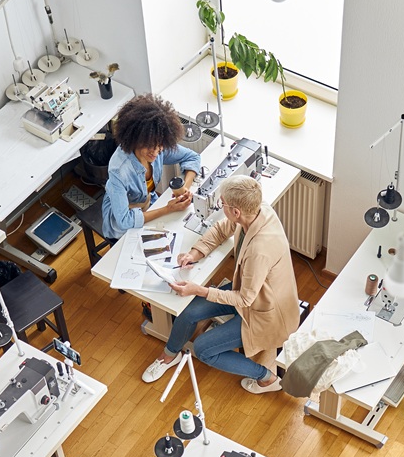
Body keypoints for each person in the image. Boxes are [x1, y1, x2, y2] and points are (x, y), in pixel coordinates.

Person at [141, 174, 299, 392]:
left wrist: (200, 290)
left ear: (236, 211)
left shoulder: (259, 250)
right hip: (248, 295)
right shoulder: (256, 211)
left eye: (221, 203)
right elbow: (222, 228)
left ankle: (267, 378)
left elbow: (245, 299)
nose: (220, 207)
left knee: (203, 349)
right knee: (188, 312)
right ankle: (169, 356)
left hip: (263, 311)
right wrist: (195, 253)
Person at [102, 94, 202, 238]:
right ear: (135, 139)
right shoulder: (119, 171)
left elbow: (192, 157)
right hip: (123, 217)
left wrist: (185, 188)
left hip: (149, 203)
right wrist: (168, 209)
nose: (155, 153)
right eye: (149, 146)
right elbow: (124, 221)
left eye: (159, 146)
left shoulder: (157, 144)